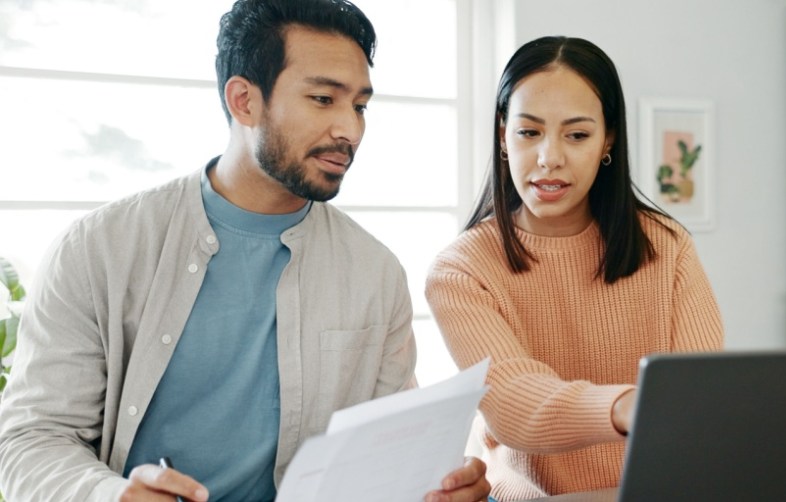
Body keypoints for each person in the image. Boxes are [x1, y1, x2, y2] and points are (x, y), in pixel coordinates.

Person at [0, 1, 490, 501]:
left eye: (360, 106)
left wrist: (438, 485)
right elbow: (30, 439)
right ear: (244, 100)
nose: (350, 129)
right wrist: (110, 496)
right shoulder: (98, 250)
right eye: (324, 99)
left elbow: (387, 453)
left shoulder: (375, 272)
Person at [425, 36, 725, 500]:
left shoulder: (667, 247)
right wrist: (628, 405)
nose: (549, 157)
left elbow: (698, 398)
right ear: (503, 135)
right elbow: (514, 405)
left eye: (577, 134)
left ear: (608, 139)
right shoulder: (461, 271)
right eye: (528, 132)